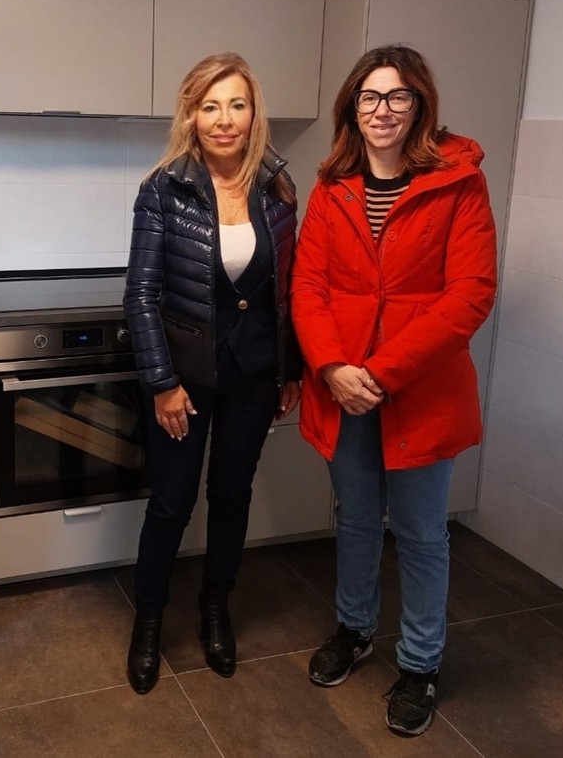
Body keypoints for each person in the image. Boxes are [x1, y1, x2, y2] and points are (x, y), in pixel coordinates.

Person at [291, 44, 497, 735]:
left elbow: (470, 294)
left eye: (397, 95)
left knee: (419, 531)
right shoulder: (332, 186)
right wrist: (331, 367)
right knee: (354, 518)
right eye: (370, 96)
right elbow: (308, 286)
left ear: (420, 105)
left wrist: (381, 372)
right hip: (343, 386)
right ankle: (353, 631)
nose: (382, 109)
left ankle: (419, 664)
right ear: (353, 107)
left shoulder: (459, 184)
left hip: (419, 389)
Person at [122, 52, 302, 695]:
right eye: (210, 106)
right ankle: (148, 623)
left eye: (237, 105)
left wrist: (291, 370)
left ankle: (215, 609)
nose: (225, 119)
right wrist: (162, 384)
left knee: (231, 495)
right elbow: (140, 296)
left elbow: (289, 292)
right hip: (184, 381)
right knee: (171, 503)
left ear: (254, 115)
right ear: (191, 117)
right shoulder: (163, 189)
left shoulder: (278, 189)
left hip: (254, 376)